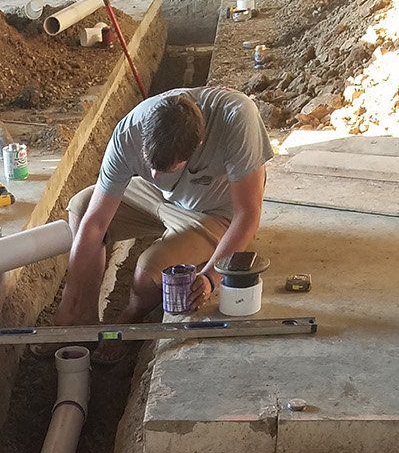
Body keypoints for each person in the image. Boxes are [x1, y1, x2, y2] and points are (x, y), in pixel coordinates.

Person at [55, 86, 273, 327]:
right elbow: (96, 222)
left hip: (214, 212)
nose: (156, 174)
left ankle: (129, 321)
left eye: (168, 168)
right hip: (160, 196)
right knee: (82, 207)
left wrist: (211, 277)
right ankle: (84, 317)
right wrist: (69, 298)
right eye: (151, 165)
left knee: (147, 275)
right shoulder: (129, 133)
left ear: (198, 145)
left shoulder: (238, 119)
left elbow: (248, 214)